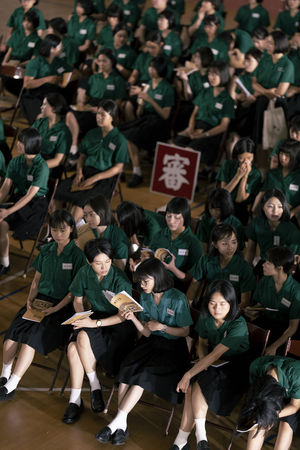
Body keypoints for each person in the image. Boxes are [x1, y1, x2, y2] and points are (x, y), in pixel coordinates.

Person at [95, 258, 192, 446]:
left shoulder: (177, 298)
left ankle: (116, 422)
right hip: (151, 343)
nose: (142, 285)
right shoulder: (145, 296)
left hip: (172, 348)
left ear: (157, 277)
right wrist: (132, 318)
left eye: (145, 281)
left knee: (142, 375)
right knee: (126, 370)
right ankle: (121, 425)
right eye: (140, 281)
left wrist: (162, 328)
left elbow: (186, 332)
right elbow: (147, 332)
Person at [0, 210, 86, 401]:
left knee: (30, 341)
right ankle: (4, 376)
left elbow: (74, 291)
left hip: (61, 307)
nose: (58, 233)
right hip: (39, 302)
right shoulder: (46, 250)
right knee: (10, 337)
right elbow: (36, 280)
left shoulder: (77, 256)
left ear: (71, 229)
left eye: (63, 230)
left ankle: (12, 384)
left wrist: (55, 309)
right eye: (54, 229)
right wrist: (30, 300)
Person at [61, 238, 135, 424]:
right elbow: (77, 300)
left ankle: (82, 396)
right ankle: (80, 396)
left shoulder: (120, 279)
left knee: (78, 341)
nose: (104, 267)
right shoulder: (84, 272)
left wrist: (93, 324)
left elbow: (122, 316)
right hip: (93, 317)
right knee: (74, 347)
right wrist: (82, 316)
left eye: (108, 262)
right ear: (88, 261)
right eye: (98, 263)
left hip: (117, 327)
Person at [173, 280, 250, 450]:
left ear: (231, 303)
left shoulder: (238, 324)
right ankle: (195, 440)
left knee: (195, 379)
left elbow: (216, 354)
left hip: (235, 367)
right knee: (194, 382)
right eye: (212, 303)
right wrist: (202, 359)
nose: (217, 309)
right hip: (212, 362)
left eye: (223, 304)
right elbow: (202, 343)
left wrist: (189, 374)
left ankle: (186, 439)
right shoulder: (206, 317)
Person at [54, 99, 129, 224]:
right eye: (98, 114)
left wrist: (96, 178)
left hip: (105, 178)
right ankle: (57, 227)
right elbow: (82, 156)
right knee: (58, 192)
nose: (98, 117)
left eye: (103, 115)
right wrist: (79, 172)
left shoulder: (119, 140)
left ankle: (70, 230)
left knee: (82, 200)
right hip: (86, 172)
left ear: (112, 117)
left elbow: (118, 168)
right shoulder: (92, 133)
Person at [0, 128, 49, 276]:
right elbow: (5, 188)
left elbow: (29, 196)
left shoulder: (42, 167)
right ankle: (4, 263)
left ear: (31, 144)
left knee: (4, 217)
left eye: (21, 142)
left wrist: (8, 211)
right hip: (17, 199)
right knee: (1, 223)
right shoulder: (16, 161)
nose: (18, 144)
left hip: (35, 205)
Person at [120, 54, 174, 188]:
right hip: (146, 119)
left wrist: (150, 99)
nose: (150, 70)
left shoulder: (167, 88)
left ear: (160, 69)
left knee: (130, 137)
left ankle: (137, 173)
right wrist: (141, 103)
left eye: (154, 68)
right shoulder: (148, 85)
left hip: (159, 123)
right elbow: (139, 113)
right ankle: (120, 169)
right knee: (120, 132)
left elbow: (165, 115)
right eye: (150, 67)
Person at [175, 60, 235, 175]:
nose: (211, 77)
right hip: (196, 128)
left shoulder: (228, 100)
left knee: (189, 151)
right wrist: (190, 128)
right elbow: (194, 114)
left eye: (215, 74)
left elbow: (223, 126)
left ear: (223, 75)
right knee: (175, 146)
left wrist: (204, 135)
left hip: (211, 134)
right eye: (210, 74)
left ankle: (191, 185)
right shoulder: (204, 92)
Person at [245, 246, 300, 355]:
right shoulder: (264, 281)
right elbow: (260, 304)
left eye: (268, 263)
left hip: (284, 330)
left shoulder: (296, 291)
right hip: (266, 323)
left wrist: (274, 346)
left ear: (279, 268)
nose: (263, 264)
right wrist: (252, 310)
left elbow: (293, 327)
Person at [237, 355, 300, 450]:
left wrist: (271, 417)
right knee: (258, 419)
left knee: (286, 425)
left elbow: (295, 406)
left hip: (296, 399)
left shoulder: (296, 376)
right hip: (278, 391)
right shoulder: (256, 367)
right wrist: (261, 418)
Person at [188, 224, 256, 309]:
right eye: (224, 244)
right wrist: (188, 307)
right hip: (210, 305)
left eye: (234, 242)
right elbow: (194, 287)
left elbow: (245, 302)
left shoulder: (244, 267)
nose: (230, 247)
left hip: (232, 309)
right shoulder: (205, 260)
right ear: (215, 244)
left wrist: (226, 313)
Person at [68, 48, 127, 137]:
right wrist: (82, 106)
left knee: (87, 119)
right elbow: (87, 98)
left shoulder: (118, 80)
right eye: (99, 61)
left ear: (112, 62)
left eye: (104, 61)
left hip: (106, 108)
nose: (101, 64)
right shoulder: (93, 78)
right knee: (70, 114)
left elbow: (117, 103)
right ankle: (74, 143)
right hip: (91, 106)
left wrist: (101, 109)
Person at [149, 197, 202, 291]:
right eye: (168, 216)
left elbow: (190, 280)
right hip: (153, 282)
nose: (171, 221)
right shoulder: (159, 235)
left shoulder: (193, 243)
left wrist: (173, 269)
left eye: (177, 218)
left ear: (185, 218)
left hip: (175, 288)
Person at [251, 30, 294, 144]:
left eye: (270, 43)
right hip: (261, 101)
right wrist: (266, 91)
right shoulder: (265, 59)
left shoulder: (287, 64)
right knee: (257, 137)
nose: (266, 45)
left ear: (279, 44)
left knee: (272, 140)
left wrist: (260, 91)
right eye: (267, 42)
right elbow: (253, 82)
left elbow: (280, 92)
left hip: (277, 105)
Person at [21, 34, 70, 124]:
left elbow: (75, 73)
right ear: (52, 49)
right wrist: (47, 79)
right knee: (42, 118)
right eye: (60, 46)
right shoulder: (35, 62)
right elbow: (27, 84)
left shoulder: (59, 62)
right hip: (34, 95)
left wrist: (64, 81)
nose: (62, 48)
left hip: (53, 94)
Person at [245, 189, 300, 270]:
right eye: (270, 206)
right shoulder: (256, 223)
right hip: (264, 264)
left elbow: (294, 260)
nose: (275, 211)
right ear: (263, 207)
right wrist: (247, 271)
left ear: (284, 208)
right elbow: (250, 250)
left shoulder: (291, 229)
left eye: (280, 207)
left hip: (283, 268)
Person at [216, 137, 262, 225]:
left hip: (240, 209)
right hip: (223, 203)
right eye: (241, 158)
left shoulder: (256, 174)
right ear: (236, 157)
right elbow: (223, 194)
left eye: (249, 158)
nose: (246, 161)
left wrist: (245, 176)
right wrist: (238, 176)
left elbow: (239, 199)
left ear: (253, 156)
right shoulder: (227, 165)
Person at [253, 139, 300, 223]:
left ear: (295, 157)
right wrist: (253, 212)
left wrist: (291, 213)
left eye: (287, 155)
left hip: (293, 217)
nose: (282, 158)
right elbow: (262, 193)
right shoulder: (272, 174)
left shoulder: (298, 176)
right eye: (281, 153)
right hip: (271, 215)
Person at [78, 194, 129, 270]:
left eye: (91, 214)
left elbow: (120, 269)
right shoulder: (87, 228)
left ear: (102, 212)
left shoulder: (118, 237)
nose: (87, 219)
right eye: (85, 215)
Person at [32, 92, 72, 179]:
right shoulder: (39, 122)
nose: (41, 107)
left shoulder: (64, 132)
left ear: (54, 109)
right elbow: (28, 143)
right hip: (35, 158)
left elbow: (58, 160)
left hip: (50, 166)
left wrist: (38, 166)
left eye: (45, 105)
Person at [196, 188, 245, 254]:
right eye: (211, 208)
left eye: (217, 209)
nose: (213, 212)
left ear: (225, 207)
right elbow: (202, 245)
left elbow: (239, 250)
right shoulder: (206, 219)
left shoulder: (236, 224)